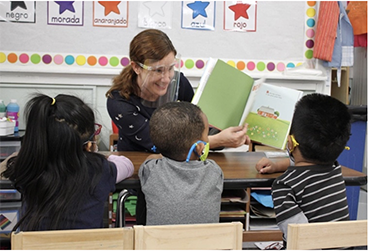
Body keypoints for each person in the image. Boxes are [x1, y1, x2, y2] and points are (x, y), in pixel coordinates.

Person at [0, 94, 134, 231]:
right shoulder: (100, 169)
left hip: (32, 245)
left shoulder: (27, 166)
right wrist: (102, 157)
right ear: (88, 144)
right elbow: (127, 165)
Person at [105, 28, 249, 153]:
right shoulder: (119, 101)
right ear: (136, 67)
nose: (166, 79)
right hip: (137, 166)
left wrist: (230, 132)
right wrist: (217, 141)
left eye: (170, 68)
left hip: (181, 163)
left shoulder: (178, 83)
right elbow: (157, 145)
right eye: (158, 70)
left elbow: (199, 126)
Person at [271, 93, 351, 249]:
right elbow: (306, 164)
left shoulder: (285, 186)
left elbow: (302, 242)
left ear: (290, 143)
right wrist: (277, 165)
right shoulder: (335, 169)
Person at [138, 101, 223, 225]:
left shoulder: (150, 170)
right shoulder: (214, 171)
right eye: (206, 135)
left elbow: (150, 158)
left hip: (160, 244)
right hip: (206, 244)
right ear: (199, 147)